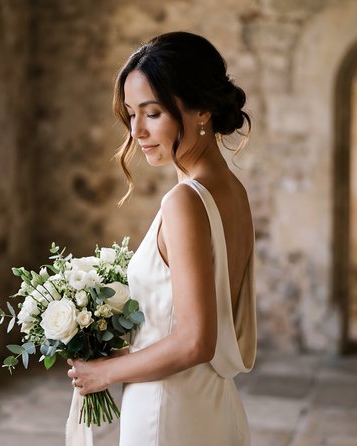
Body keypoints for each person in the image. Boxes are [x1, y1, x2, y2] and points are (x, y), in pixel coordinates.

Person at [67, 31, 257, 446]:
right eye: (131, 114)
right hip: (211, 403)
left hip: (167, 410)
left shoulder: (184, 201)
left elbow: (195, 340)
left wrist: (103, 373)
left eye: (152, 113)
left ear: (202, 109)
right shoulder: (232, 189)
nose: (137, 130)